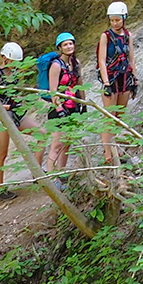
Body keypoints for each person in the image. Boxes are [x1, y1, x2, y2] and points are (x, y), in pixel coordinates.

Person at [0, 41, 42, 200]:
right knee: (2, 152)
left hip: (16, 114)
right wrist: (6, 107)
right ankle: (0, 189)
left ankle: (37, 174)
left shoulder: (16, 74)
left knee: (42, 134)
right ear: (5, 58)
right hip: (1, 117)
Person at [95, 2, 136, 178]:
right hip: (111, 78)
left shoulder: (128, 36)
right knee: (109, 117)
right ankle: (107, 154)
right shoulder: (105, 36)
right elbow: (102, 60)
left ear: (124, 18)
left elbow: (131, 58)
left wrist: (135, 79)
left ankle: (116, 149)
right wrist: (106, 82)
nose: (115, 23)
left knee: (119, 115)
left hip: (125, 77)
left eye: (117, 20)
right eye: (112, 20)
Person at [43, 32, 85, 184]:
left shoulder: (76, 63)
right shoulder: (56, 65)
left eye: (71, 43)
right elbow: (53, 92)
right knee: (56, 144)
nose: (69, 47)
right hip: (58, 110)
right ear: (60, 47)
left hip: (73, 106)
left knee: (67, 143)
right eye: (65, 44)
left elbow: (80, 85)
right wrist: (59, 108)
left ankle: (62, 173)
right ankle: (52, 177)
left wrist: (83, 105)